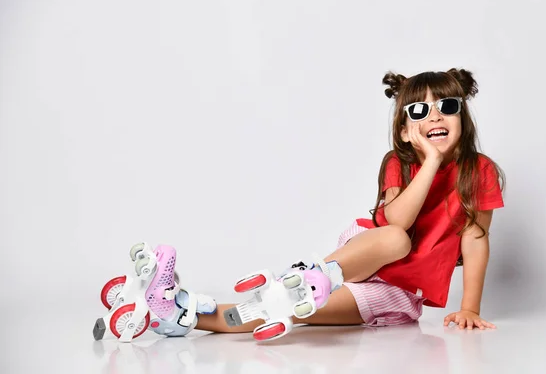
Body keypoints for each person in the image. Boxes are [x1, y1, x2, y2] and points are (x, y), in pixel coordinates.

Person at [148, 68, 505, 339]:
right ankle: (313, 276)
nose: (435, 116)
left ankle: (183, 315)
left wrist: (469, 307)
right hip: (368, 255)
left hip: (398, 292)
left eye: (447, 106)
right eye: (419, 111)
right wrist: (430, 160)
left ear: (463, 117)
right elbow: (398, 219)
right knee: (398, 238)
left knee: (287, 309)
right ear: (403, 131)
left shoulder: (480, 170)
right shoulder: (400, 162)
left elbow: (475, 240)